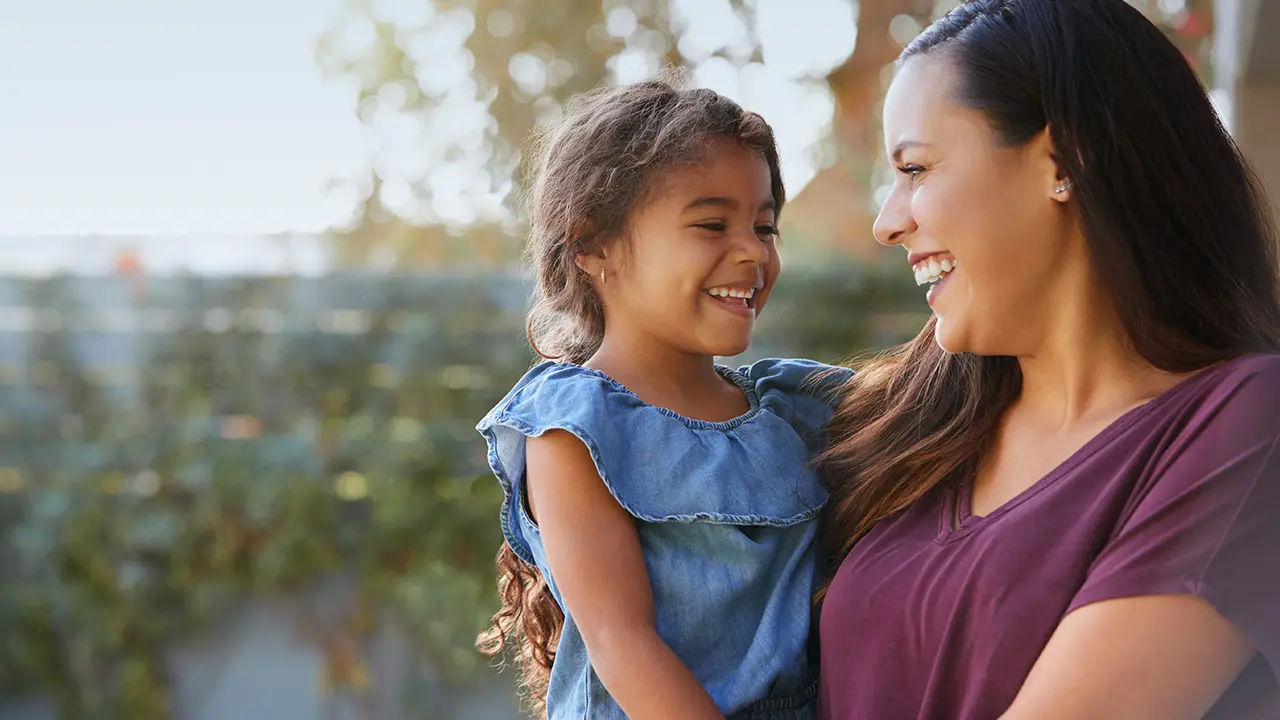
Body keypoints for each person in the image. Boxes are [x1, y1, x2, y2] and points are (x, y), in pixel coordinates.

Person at [816, 1, 1280, 718]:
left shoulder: (1247, 425)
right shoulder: (901, 423)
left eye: (915, 167)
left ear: (1065, 159)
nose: (887, 221)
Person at [475, 78, 846, 719]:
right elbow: (625, 646)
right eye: (711, 223)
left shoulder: (795, 408)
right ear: (593, 245)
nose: (754, 251)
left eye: (765, 226)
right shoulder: (573, 429)